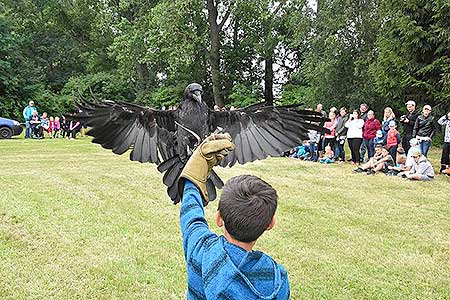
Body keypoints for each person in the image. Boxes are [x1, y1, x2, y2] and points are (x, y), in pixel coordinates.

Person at [178, 134, 290, 299]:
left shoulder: (202, 251)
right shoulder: (277, 279)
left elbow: (191, 216)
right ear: (270, 223)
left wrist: (194, 172)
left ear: (218, 218)